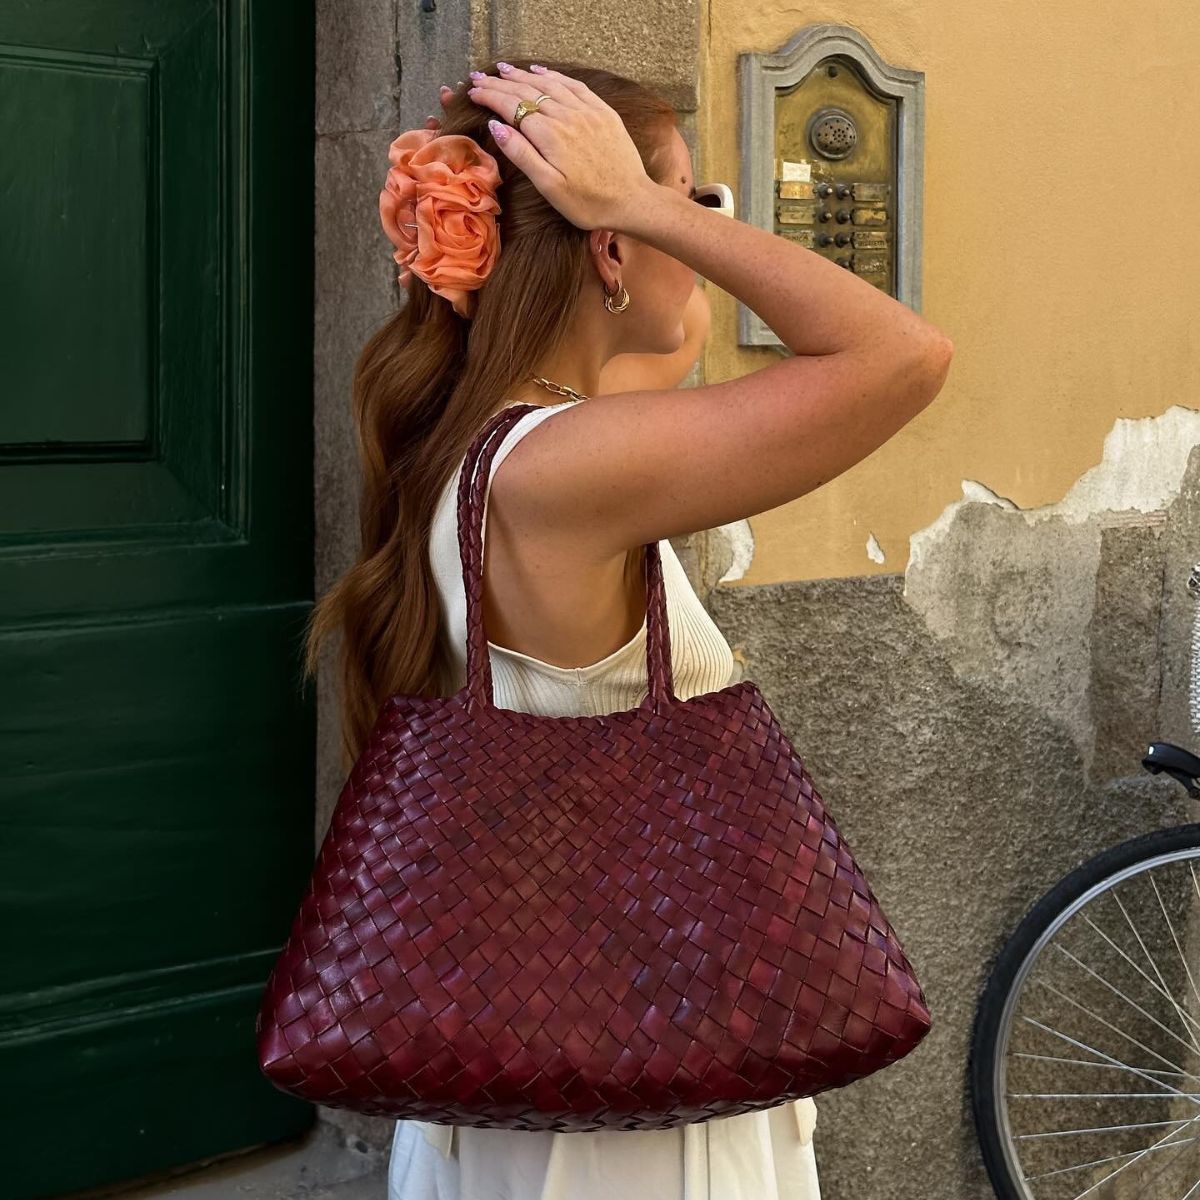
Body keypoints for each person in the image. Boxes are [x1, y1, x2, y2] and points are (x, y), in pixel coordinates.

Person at [305, 54, 953, 1200]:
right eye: (698, 198)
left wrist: (646, 221)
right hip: (630, 1103)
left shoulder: (501, 445)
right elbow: (903, 355)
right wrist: (643, 204)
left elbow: (691, 350)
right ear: (606, 241)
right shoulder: (560, 469)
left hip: (555, 1043)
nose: (710, 223)